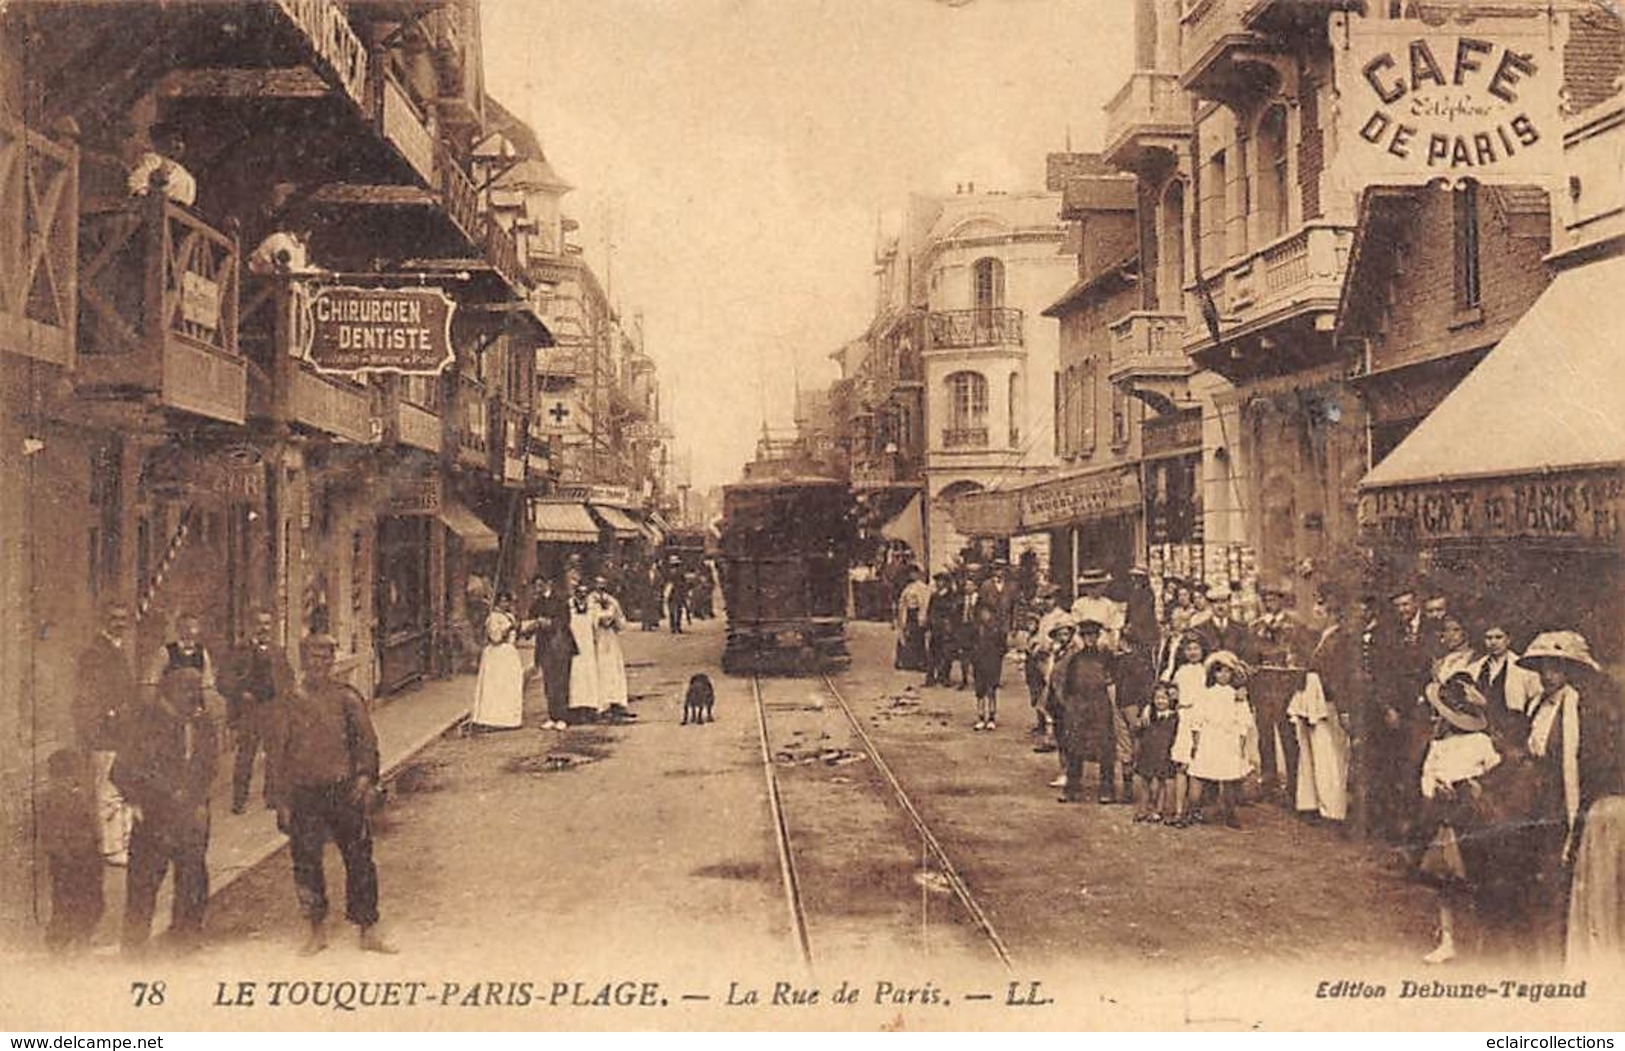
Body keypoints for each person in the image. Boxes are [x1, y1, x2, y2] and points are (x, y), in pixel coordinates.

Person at [267, 633, 394, 955]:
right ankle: (316, 929)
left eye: (326, 657)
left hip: (345, 791)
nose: (319, 663)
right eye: (313, 657)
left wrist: (365, 779)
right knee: (306, 862)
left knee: (359, 859)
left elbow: (367, 743)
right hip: (304, 794)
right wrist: (281, 802)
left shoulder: (347, 698)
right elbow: (277, 755)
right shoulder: (288, 701)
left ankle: (368, 928)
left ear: (332, 661)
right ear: (303, 660)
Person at [1514, 631, 1622, 960]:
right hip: (1535, 802)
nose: (1549, 675)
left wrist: (1574, 817)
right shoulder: (1537, 705)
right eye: (1545, 667)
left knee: (1562, 879)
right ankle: (1540, 953)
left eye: (1557, 668)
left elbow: (1576, 763)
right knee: (1535, 882)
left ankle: (1563, 955)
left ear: (1570, 672)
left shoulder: (1575, 706)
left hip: (1562, 802)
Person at [112, 652, 220, 954]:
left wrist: (197, 798)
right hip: (154, 816)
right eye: (186, 693)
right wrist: (138, 801)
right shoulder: (147, 724)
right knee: (144, 885)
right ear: (170, 693)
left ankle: (185, 937)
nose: (193, 700)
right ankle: (133, 949)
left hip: (190, 816)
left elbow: (210, 766)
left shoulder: (202, 724)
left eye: (196, 693)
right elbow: (121, 771)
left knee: (193, 880)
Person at [1413, 672, 1503, 964]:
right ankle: (1448, 938)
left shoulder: (1480, 742)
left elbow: (1496, 773)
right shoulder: (1438, 745)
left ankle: (1479, 938)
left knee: (1474, 877)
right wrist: (1435, 788)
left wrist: (1476, 785)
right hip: (1445, 817)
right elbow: (1426, 777)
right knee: (1445, 881)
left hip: (1474, 818)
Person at [73, 601, 137, 866]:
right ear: (103, 621)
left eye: (123, 619)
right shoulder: (95, 653)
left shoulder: (118, 649)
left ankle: (122, 841)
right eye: (114, 619)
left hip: (122, 731)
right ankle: (111, 848)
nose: (119, 623)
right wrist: (108, 715)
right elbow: (89, 698)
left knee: (122, 785)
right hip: (105, 733)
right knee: (108, 788)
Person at [222, 610, 296, 815]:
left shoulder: (277, 651)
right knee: (246, 756)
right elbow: (223, 681)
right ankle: (239, 800)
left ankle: (272, 797)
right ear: (251, 626)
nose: (264, 628)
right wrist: (240, 693)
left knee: (275, 755)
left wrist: (285, 695)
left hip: (273, 709)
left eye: (267, 624)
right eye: (259, 624)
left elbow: (289, 676)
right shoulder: (240, 651)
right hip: (250, 711)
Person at [1290, 589, 1352, 824]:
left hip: (1328, 702)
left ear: (1334, 613)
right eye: (1317, 606)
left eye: (1322, 607)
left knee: (1330, 755)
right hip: (1313, 700)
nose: (1316, 611)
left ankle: (1333, 808)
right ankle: (1313, 803)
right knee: (1314, 751)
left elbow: (1340, 676)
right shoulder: (1321, 636)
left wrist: (1343, 708)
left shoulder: (1341, 639)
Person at [40, 748, 104, 954]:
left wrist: (97, 848)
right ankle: (61, 943)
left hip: (86, 856)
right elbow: (50, 832)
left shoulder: (80, 796)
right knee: (66, 901)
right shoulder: (55, 799)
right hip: (68, 858)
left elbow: (93, 827)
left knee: (88, 899)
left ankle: (80, 938)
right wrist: (62, 853)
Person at [1185, 650, 1253, 829]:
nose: (1223, 675)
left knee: (1229, 777)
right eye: (1219, 671)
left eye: (1227, 672)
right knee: (1204, 774)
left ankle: (1230, 812)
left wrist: (1241, 742)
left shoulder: (1237, 696)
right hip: (1210, 738)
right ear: (1213, 673)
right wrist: (1196, 742)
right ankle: (1198, 809)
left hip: (1228, 739)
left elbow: (1244, 722)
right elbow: (1197, 720)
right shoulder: (1206, 694)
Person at [1051, 619, 1116, 804]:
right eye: (1086, 636)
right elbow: (1066, 685)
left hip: (1100, 706)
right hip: (1079, 707)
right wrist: (1070, 706)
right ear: (1082, 637)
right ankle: (1071, 788)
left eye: (1093, 635)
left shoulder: (1106, 657)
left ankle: (1106, 790)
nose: (1090, 639)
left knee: (1105, 748)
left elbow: (1113, 680)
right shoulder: (1075, 658)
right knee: (1074, 747)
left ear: (1098, 637)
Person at [1248, 581, 1302, 803]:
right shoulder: (1255, 626)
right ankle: (1268, 781)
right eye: (1266, 599)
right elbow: (1253, 655)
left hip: (1285, 687)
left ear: (1281, 600)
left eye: (1274, 599)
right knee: (1265, 736)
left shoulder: (1293, 625)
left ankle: (1294, 784)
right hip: (1263, 687)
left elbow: (1295, 653)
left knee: (1288, 735)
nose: (1270, 603)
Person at [1469, 625, 1543, 744]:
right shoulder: (1475, 668)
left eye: (1498, 637)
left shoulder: (1523, 669)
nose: (1493, 642)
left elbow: (1536, 699)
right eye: (1488, 638)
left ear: (1508, 640)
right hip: (1479, 731)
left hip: (1510, 732)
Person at [1168, 632, 1211, 825]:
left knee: (1198, 765)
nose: (1193, 652)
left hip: (1202, 719)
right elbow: (1173, 695)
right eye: (1189, 649)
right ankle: (1179, 810)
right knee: (1181, 765)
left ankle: (1195, 808)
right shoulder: (1180, 671)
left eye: (1196, 648)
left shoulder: (1207, 671)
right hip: (1184, 718)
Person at [469, 591, 526, 732]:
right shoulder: (493, 618)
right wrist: (508, 628)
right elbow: (496, 638)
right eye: (503, 601)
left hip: (509, 654)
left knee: (509, 685)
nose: (506, 604)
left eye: (508, 601)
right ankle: (492, 718)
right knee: (496, 685)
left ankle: (508, 718)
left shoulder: (509, 616)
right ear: (498, 602)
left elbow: (517, 634)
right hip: (497, 655)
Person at [529, 574, 575, 732]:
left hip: (561, 645)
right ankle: (552, 716)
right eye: (535, 586)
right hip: (544, 646)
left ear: (547, 584)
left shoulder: (561, 601)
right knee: (548, 683)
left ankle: (563, 717)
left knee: (561, 681)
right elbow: (531, 621)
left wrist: (550, 623)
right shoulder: (536, 603)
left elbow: (565, 621)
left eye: (540, 585)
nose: (537, 589)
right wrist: (535, 624)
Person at [1134, 681, 1180, 824]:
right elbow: (1139, 734)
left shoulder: (1174, 718)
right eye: (1157, 698)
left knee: (1161, 783)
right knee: (1146, 782)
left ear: (1170, 700)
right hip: (1148, 754)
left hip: (1164, 755)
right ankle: (1144, 808)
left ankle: (1158, 810)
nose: (1160, 701)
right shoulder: (1148, 716)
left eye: (1164, 698)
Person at [590, 578, 634, 722]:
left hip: (611, 638)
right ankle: (602, 704)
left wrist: (615, 622)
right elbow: (588, 620)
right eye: (598, 585)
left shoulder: (612, 601)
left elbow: (621, 619)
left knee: (614, 668)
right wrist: (598, 621)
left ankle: (617, 701)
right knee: (600, 668)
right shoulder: (590, 601)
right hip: (598, 639)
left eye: (603, 585)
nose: (601, 588)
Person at [126, 121, 196, 207]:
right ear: (162, 141)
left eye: (182, 141)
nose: (179, 145)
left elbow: (185, 205)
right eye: (175, 139)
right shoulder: (151, 161)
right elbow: (136, 186)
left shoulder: (188, 179)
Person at [566, 582, 603, 724]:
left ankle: (590, 707)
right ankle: (575, 708)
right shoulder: (569, 606)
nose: (582, 595)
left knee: (589, 675)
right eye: (579, 592)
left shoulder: (592, 607)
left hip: (588, 647)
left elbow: (597, 624)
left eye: (585, 592)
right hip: (574, 645)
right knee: (575, 676)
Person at [969, 603, 1004, 732]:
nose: (985, 615)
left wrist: (997, 658)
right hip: (979, 662)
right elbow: (969, 644)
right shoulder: (975, 628)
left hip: (992, 662)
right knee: (979, 691)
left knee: (991, 690)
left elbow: (1002, 646)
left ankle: (992, 717)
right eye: (982, 613)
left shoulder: (996, 629)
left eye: (987, 612)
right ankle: (980, 716)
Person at [1071, 569, 1124, 651]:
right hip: (1083, 639)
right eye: (1089, 587)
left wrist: (1112, 642)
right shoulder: (1079, 604)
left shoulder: (1108, 604)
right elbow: (1075, 626)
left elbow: (1115, 627)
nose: (1092, 590)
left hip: (1103, 640)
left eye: (1096, 587)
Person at [1193, 585, 1248, 658]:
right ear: (1210, 605)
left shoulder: (1241, 629)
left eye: (1223, 601)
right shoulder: (1200, 629)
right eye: (1216, 602)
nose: (1220, 606)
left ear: (1229, 603)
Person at [925, 572, 958, 688]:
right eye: (938, 581)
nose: (939, 584)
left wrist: (950, 624)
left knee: (946, 653)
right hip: (935, 628)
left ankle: (944, 677)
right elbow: (930, 611)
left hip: (946, 628)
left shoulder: (952, 597)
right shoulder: (934, 596)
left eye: (942, 581)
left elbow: (953, 613)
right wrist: (928, 625)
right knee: (933, 653)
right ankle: (930, 677)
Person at [894, 567, 930, 673]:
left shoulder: (922, 587)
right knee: (906, 636)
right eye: (911, 574)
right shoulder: (908, 587)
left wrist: (922, 616)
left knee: (918, 638)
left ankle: (920, 662)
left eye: (914, 573)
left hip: (916, 613)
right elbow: (902, 601)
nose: (912, 575)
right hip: (908, 613)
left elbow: (924, 602)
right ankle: (907, 662)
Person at [951, 576, 980, 690]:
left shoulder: (980, 599)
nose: (967, 587)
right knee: (963, 655)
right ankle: (964, 679)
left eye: (970, 585)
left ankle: (978, 680)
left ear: (975, 587)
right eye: (966, 585)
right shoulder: (960, 599)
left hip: (976, 629)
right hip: (963, 629)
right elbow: (955, 615)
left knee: (976, 656)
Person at [665, 570, 688, 635]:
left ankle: (675, 626)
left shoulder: (670, 574)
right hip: (674, 595)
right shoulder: (669, 575)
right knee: (675, 611)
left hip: (676, 595)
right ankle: (675, 626)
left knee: (676, 611)